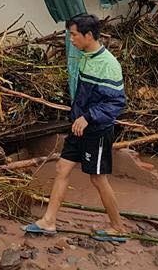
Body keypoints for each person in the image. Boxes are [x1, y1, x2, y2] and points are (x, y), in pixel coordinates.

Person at [24, 14, 128, 241]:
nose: (71, 39)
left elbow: (117, 103)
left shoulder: (109, 65)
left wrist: (88, 117)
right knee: (62, 168)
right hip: (79, 126)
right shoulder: (84, 56)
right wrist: (77, 117)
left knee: (97, 179)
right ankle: (49, 222)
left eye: (74, 34)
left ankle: (117, 227)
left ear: (88, 35)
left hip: (97, 130)